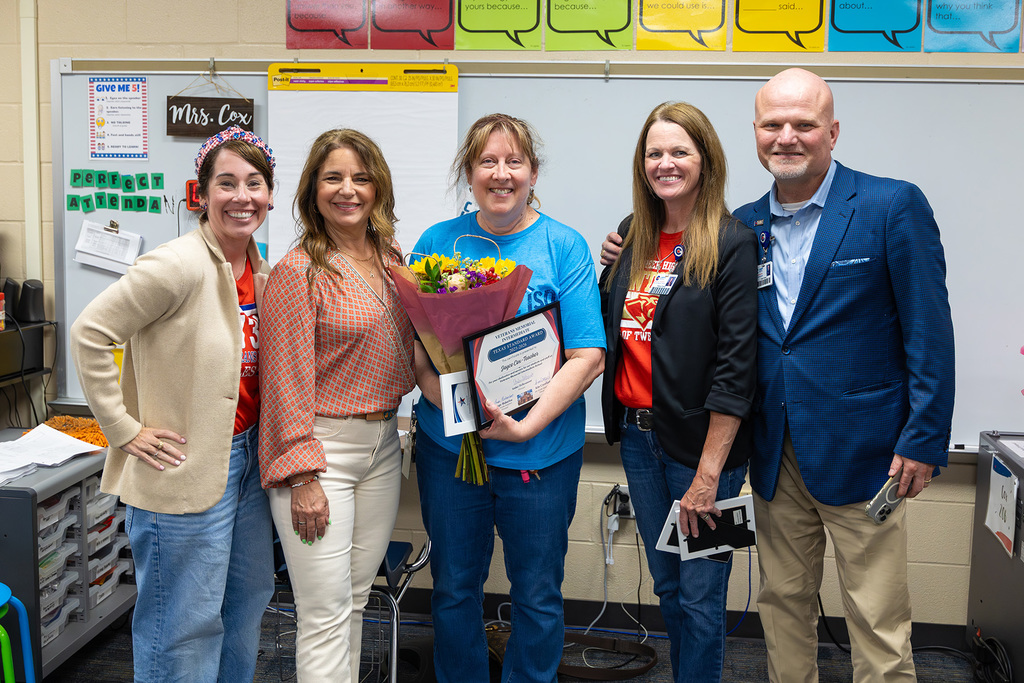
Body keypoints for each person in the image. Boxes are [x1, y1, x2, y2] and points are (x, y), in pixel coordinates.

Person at [602, 68, 955, 682]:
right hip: (770, 451)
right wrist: (615, 256)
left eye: (804, 124)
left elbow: (928, 329)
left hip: (863, 451)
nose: (787, 136)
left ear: (833, 131)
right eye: (773, 124)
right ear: (756, 134)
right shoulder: (742, 226)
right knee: (782, 606)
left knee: (876, 617)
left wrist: (924, 436)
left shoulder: (890, 205)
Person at [71, 126, 276, 682]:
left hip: (248, 464)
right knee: (181, 623)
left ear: (270, 195)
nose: (242, 196)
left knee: (245, 602)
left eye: (254, 183)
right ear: (201, 194)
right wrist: (123, 428)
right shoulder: (177, 264)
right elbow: (90, 333)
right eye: (226, 183)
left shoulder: (261, 268)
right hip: (184, 465)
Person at [412, 113, 605, 683]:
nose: (501, 174)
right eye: (487, 162)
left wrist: (525, 427)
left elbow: (587, 356)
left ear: (533, 172)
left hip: (540, 456)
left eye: (513, 161)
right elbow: (422, 357)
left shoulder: (563, 246)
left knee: (539, 593)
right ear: (468, 174)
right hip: (451, 454)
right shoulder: (435, 244)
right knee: (452, 587)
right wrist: (458, 410)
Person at [599, 101, 757, 683]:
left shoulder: (733, 242)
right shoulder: (634, 234)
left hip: (703, 451)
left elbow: (737, 369)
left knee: (699, 596)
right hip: (640, 443)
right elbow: (621, 332)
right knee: (666, 586)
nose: (665, 163)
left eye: (679, 152)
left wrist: (710, 475)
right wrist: (604, 270)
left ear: (705, 159)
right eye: (654, 153)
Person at [258, 129, 416, 682]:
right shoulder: (298, 271)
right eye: (333, 178)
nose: (348, 190)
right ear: (312, 189)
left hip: (382, 447)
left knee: (353, 602)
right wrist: (301, 475)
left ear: (378, 187)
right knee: (323, 616)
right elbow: (284, 382)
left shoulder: (392, 257)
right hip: (319, 453)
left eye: (360, 177)